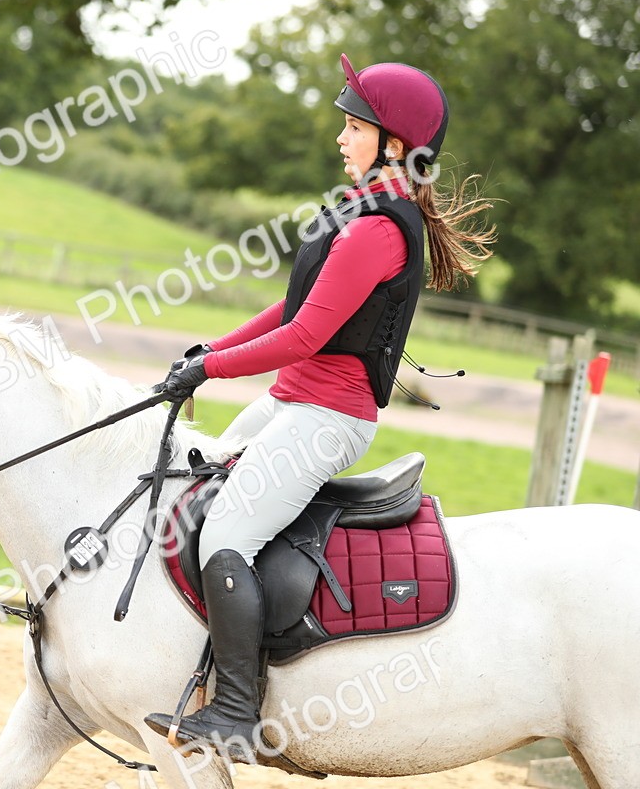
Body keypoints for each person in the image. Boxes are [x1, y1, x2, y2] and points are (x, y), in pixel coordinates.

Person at [144, 54, 496, 760]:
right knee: (193, 481)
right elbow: (291, 306)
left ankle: (238, 713)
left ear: (393, 142)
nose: (339, 136)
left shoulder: (378, 229)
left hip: (328, 422)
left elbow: (305, 336)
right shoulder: (357, 209)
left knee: (225, 539)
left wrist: (210, 370)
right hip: (291, 403)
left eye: (352, 125)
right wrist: (209, 349)